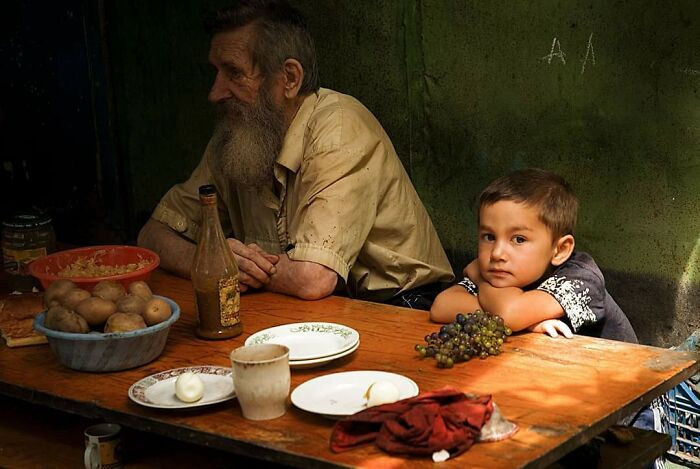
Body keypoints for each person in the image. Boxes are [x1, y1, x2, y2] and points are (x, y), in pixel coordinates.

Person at [137, 0, 454, 306]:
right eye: (216, 72)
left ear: (289, 78)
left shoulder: (340, 128)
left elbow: (312, 279)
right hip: (307, 306)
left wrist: (236, 268)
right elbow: (153, 236)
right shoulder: (235, 136)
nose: (215, 92)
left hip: (400, 307)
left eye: (234, 73)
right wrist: (211, 260)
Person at [430, 168, 638, 343]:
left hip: (629, 385)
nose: (497, 253)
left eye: (519, 239)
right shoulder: (501, 273)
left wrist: (479, 279)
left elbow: (509, 313)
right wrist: (526, 323)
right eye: (489, 237)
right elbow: (442, 306)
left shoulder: (582, 278)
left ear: (560, 249)